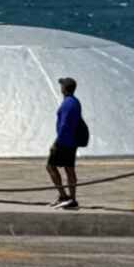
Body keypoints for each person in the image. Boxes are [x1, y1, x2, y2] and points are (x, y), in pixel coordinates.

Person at [47, 77, 83, 211]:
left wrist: (57, 143)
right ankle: (71, 198)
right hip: (71, 141)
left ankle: (65, 197)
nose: (60, 87)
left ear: (64, 88)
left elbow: (64, 125)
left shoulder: (68, 103)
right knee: (69, 169)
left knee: (50, 167)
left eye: (62, 85)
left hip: (64, 142)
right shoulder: (74, 101)